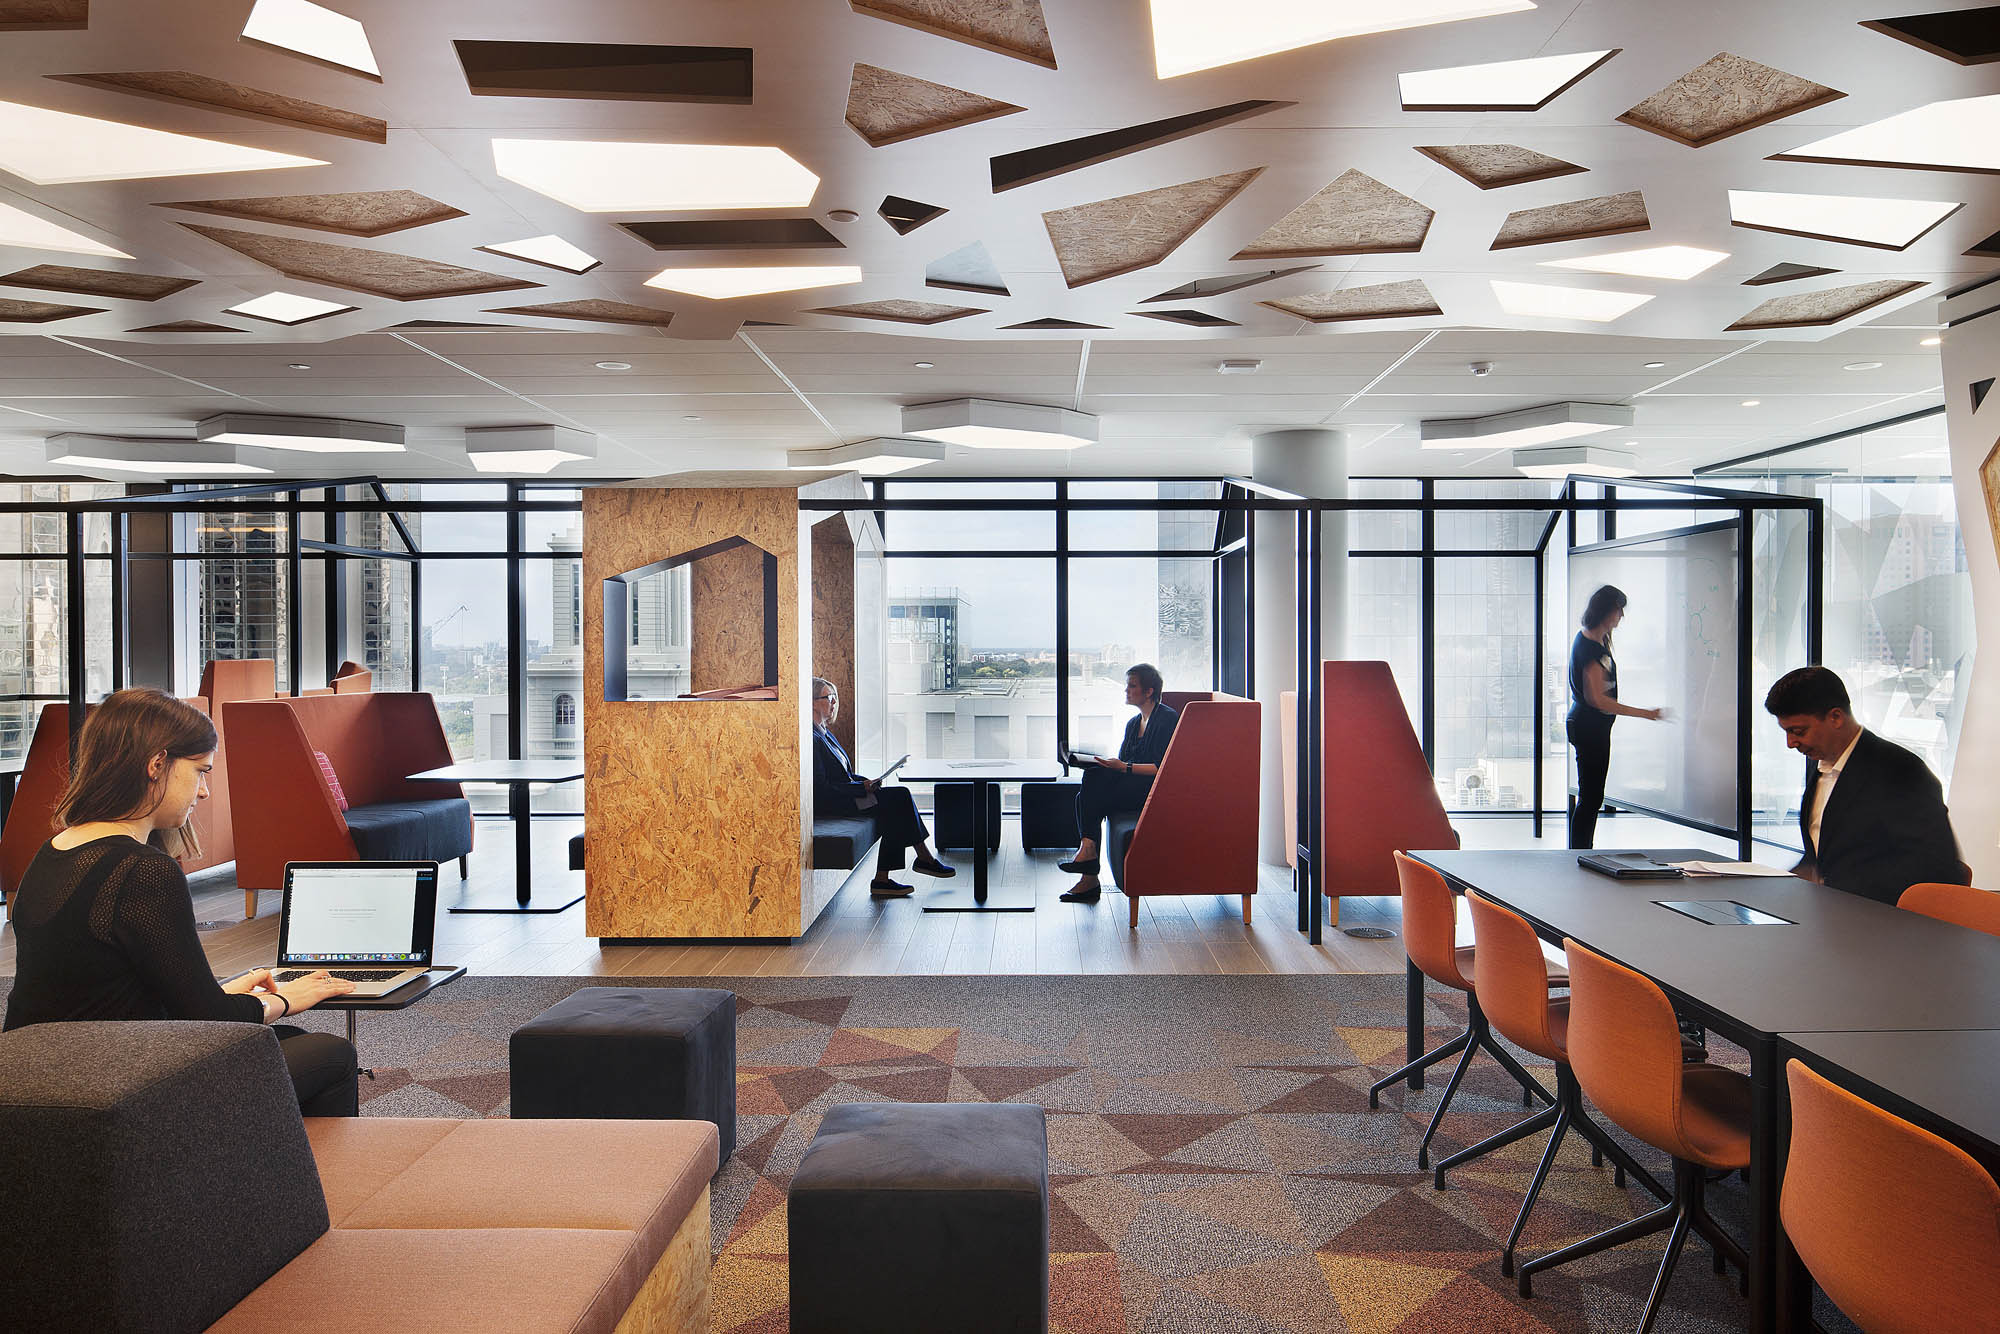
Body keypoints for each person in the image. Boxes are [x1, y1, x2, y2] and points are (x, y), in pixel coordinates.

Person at [3, 687, 361, 1115]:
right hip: (113, 1082)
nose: (205, 791)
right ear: (157, 764)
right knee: (331, 1054)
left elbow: (98, 991)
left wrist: (222, 992)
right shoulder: (141, 870)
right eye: (200, 771)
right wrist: (286, 998)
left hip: (39, 1069)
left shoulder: (55, 851)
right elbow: (212, 1019)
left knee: (285, 1043)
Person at [1764, 666, 1967, 904]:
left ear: (1836, 717)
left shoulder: (1901, 770)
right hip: (1831, 913)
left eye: (1798, 731)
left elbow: (1932, 865)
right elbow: (1825, 856)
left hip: (1884, 922)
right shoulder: (1820, 766)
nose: (1790, 743)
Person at [810, 677, 955, 898]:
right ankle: (920, 860)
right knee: (898, 799)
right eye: (829, 697)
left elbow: (844, 775)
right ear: (812, 702)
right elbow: (822, 788)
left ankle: (888, 876)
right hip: (835, 803)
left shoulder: (824, 733)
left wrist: (867, 782)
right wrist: (861, 788)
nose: (834, 703)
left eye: (834, 697)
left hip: (849, 796)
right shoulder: (812, 739)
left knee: (897, 800)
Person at [1059, 664, 1179, 904]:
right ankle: (1088, 859)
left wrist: (1123, 768)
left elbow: (1163, 768)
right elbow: (1125, 762)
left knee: (1088, 795)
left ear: (1149, 691)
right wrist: (1106, 765)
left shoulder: (1166, 719)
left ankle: (1089, 869)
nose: (1126, 690)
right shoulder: (1134, 723)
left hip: (1153, 789)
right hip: (1133, 784)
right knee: (1089, 784)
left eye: (1132, 686)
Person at [1566, 585, 1667, 849]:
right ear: (1606, 611)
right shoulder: (1589, 647)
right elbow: (1597, 699)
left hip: (1594, 727)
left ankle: (1580, 850)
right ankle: (1578, 852)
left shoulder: (1598, 640)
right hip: (1589, 727)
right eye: (1619, 609)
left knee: (1592, 795)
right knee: (1590, 796)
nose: (1621, 615)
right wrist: (1645, 714)